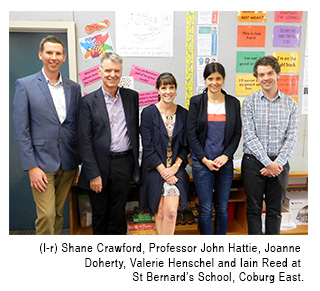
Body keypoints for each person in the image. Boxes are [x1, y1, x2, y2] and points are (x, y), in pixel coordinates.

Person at [13, 35, 81, 235]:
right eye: (49, 52)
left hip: (67, 163)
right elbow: (21, 129)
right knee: (46, 215)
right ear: (40, 55)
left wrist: (77, 162)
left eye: (58, 53)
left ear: (64, 57)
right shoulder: (25, 85)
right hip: (41, 164)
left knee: (59, 213)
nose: (54, 57)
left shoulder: (74, 88)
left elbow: (75, 127)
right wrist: (31, 166)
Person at [78, 52, 140, 235]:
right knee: (100, 213)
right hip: (98, 165)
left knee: (118, 211)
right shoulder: (88, 101)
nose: (112, 74)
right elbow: (84, 141)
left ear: (121, 73)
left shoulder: (132, 97)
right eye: (108, 70)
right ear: (100, 72)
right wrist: (93, 174)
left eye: (117, 71)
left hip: (123, 163)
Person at [241, 56, 299, 235]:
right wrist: (268, 163)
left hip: (280, 165)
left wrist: (276, 164)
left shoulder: (291, 104)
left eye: (269, 73)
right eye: (261, 74)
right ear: (257, 78)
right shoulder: (249, 102)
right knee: (253, 210)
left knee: (275, 211)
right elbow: (249, 136)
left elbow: (292, 138)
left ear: (278, 74)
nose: (265, 78)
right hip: (253, 164)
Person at [187, 62, 241, 235]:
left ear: (224, 79)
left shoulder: (232, 103)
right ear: (205, 80)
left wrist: (226, 156)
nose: (214, 82)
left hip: (224, 164)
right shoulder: (197, 102)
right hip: (202, 164)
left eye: (218, 78)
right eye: (210, 78)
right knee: (204, 208)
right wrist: (204, 159)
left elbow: (237, 134)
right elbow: (191, 134)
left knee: (222, 207)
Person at [139, 73, 189, 235]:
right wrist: (164, 172)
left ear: (175, 90)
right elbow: (148, 148)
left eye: (171, 87)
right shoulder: (148, 113)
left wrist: (174, 168)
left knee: (172, 212)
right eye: (164, 87)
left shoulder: (184, 114)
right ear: (158, 90)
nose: (168, 91)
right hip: (154, 170)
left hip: (176, 170)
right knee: (159, 212)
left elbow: (185, 147)